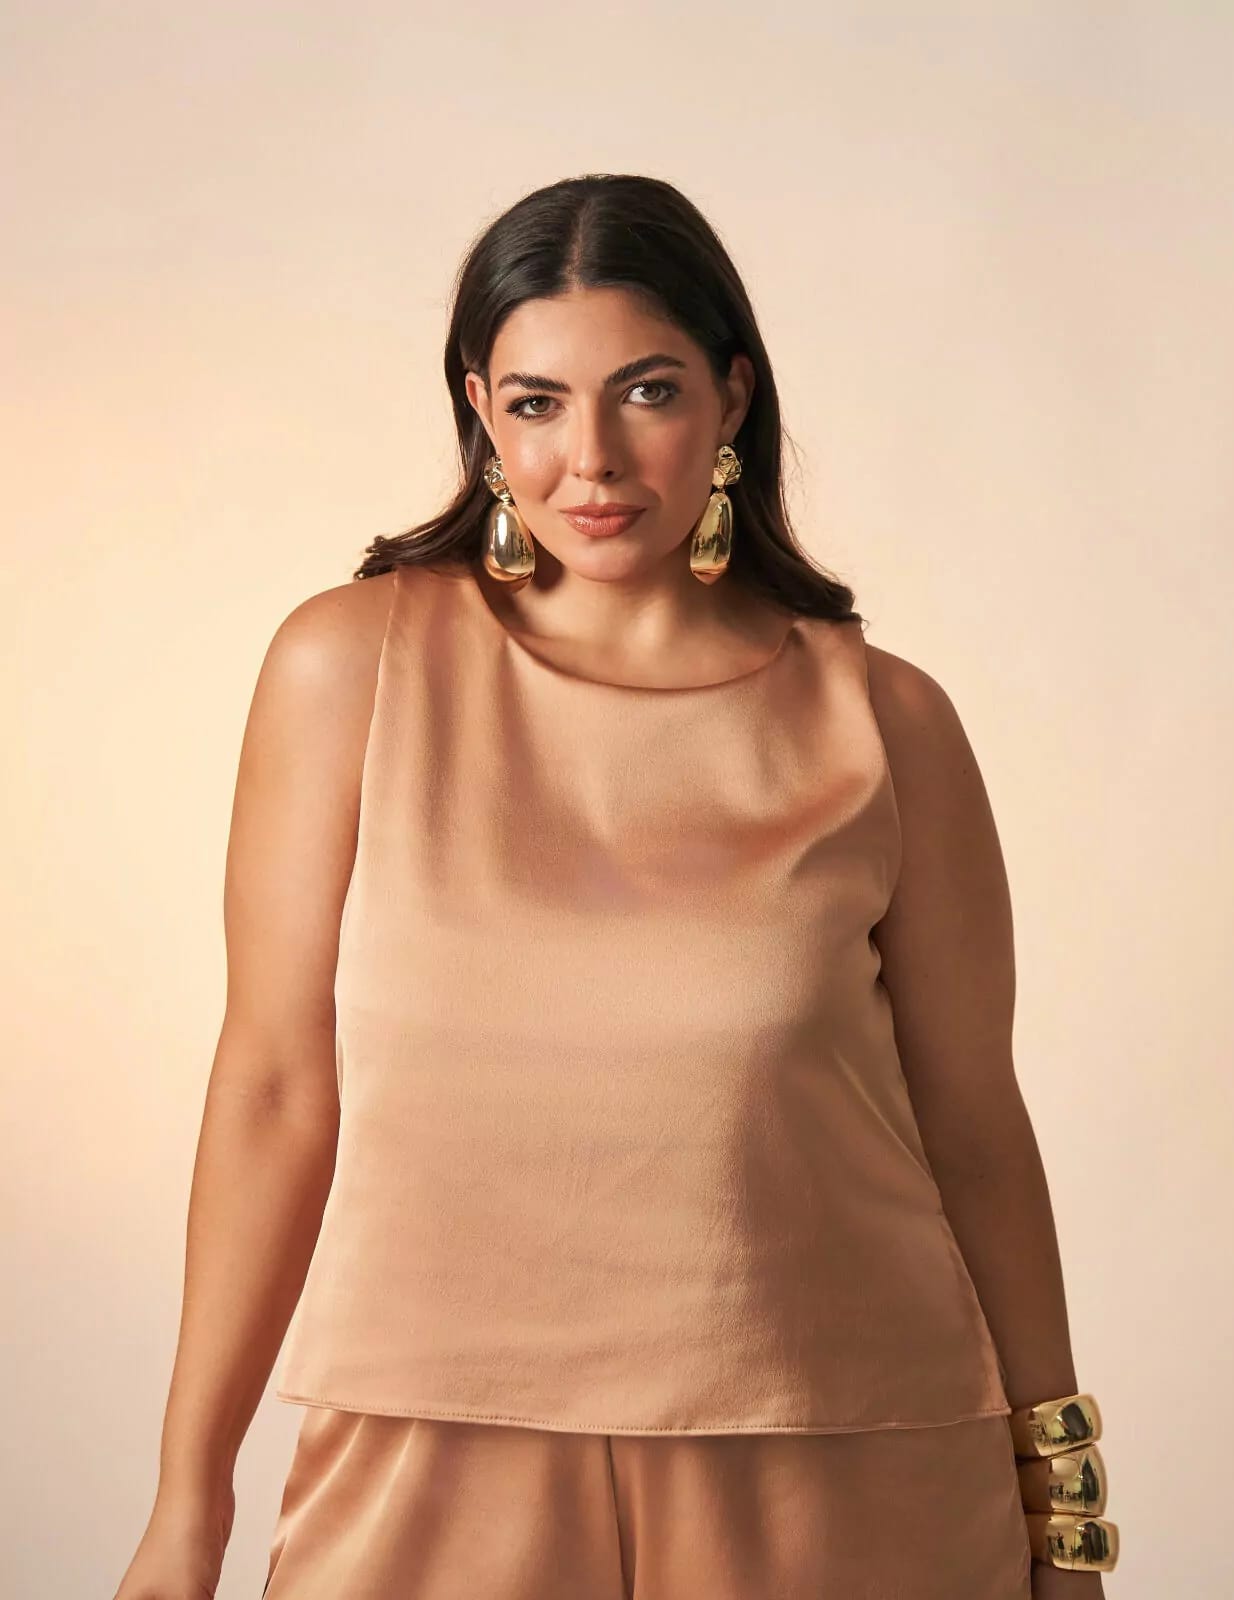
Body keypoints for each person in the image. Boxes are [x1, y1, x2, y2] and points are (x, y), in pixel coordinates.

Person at [112, 173, 1117, 1600]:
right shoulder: (351, 671)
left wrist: (1062, 1512)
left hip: (845, 1461)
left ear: (731, 399)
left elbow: (975, 1132)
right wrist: (187, 1500)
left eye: (646, 393)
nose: (590, 460)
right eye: (537, 403)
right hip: (433, 1451)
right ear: (481, 411)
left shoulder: (886, 724)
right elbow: (276, 1087)